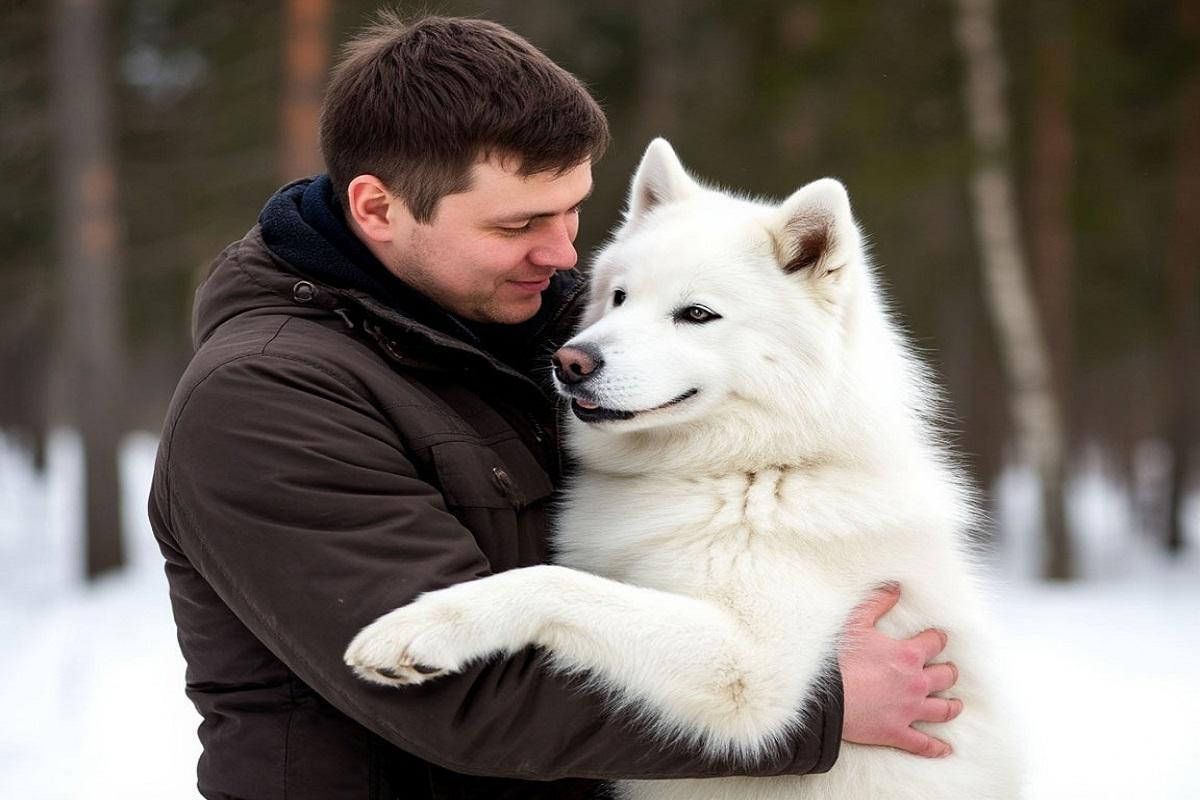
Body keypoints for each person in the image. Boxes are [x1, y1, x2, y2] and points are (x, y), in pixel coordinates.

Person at [149, 13, 961, 800]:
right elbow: (462, 699)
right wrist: (826, 707)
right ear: (377, 208)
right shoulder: (267, 398)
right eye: (519, 223)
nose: (564, 253)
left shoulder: (519, 317)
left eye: (574, 209)